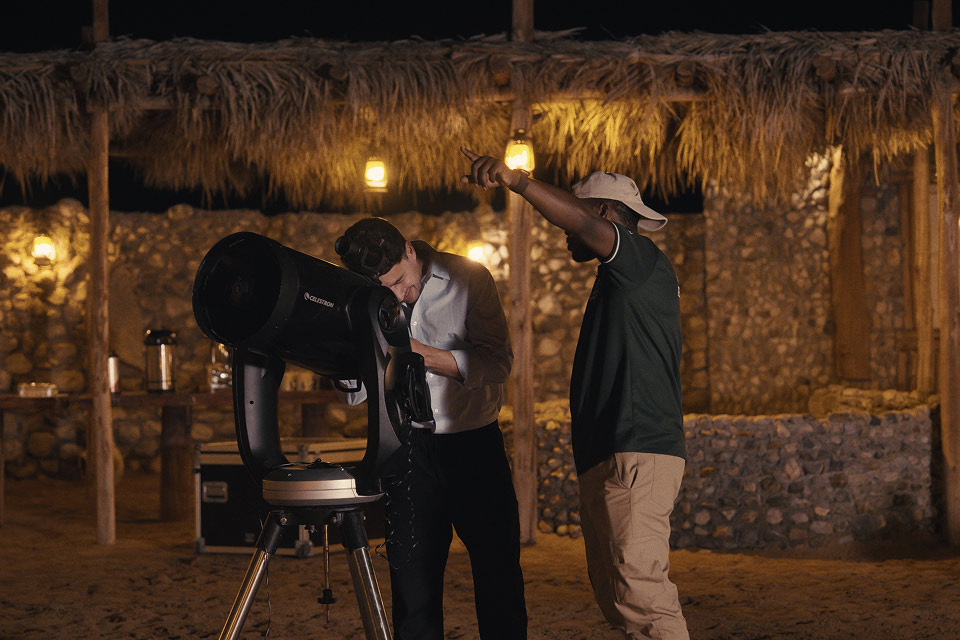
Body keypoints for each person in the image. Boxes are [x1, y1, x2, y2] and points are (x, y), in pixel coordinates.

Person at [461, 147, 689, 640]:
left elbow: (584, 226)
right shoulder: (622, 279)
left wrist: (517, 181)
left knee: (643, 599)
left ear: (604, 214)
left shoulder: (638, 258)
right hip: (614, 453)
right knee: (621, 600)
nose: (564, 229)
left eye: (574, 216)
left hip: (637, 449)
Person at [334, 217, 527, 640]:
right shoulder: (368, 297)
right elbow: (354, 395)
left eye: (402, 281)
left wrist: (411, 352)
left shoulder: (470, 278)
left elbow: (498, 365)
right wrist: (348, 353)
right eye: (387, 290)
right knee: (412, 591)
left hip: (476, 447)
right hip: (408, 451)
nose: (399, 296)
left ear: (408, 249)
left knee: (499, 582)